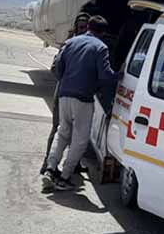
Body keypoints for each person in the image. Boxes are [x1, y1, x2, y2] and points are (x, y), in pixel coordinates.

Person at [42, 15, 119, 191]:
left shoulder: (71, 42)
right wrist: (119, 76)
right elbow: (105, 76)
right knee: (80, 140)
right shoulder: (100, 48)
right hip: (83, 99)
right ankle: (64, 177)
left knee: (62, 133)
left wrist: (67, 81)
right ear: (103, 32)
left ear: (89, 27)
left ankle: (50, 168)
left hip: (64, 94)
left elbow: (58, 67)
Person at [40, 13, 89, 176]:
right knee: (58, 128)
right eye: (81, 26)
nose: (84, 30)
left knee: (78, 131)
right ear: (76, 27)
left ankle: (74, 163)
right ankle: (47, 163)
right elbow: (55, 69)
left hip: (79, 93)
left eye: (86, 27)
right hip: (64, 91)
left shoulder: (89, 45)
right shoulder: (69, 44)